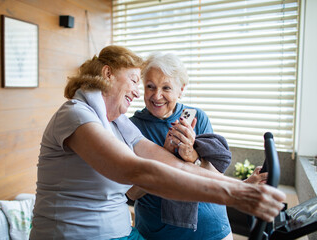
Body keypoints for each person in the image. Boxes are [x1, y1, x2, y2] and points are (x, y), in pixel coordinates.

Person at [30, 45, 285, 240]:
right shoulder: (75, 114)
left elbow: (179, 167)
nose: (140, 92)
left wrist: (242, 186)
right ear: (108, 74)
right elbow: (135, 171)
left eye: (164, 87)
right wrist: (236, 195)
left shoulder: (117, 122)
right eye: (135, 81)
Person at [128, 52, 267, 240]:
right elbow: (132, 192)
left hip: (212, 229)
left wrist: (194, 157)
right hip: (158, 234)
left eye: (166, 87)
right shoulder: (132, 126)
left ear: (181, 90)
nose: (157, 95)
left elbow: (215, 175)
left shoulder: (197, 117)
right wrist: (164, 158)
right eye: (150, 86)